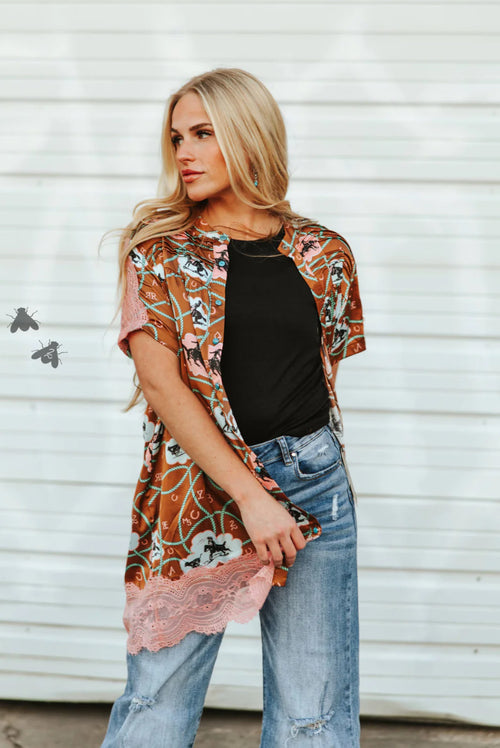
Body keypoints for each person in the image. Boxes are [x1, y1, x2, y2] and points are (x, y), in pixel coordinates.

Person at [100, 67, 366, 748]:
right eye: (176, 138)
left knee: (314, 712)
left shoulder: (324, 252)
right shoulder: (157, 253)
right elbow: (163, 387)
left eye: (202, 134)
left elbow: (318, 375)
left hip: (312, 484)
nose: (184, 153)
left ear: (248, 136)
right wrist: (250, 494)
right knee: (156, 703)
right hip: (198, 488)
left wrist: (288, 478)